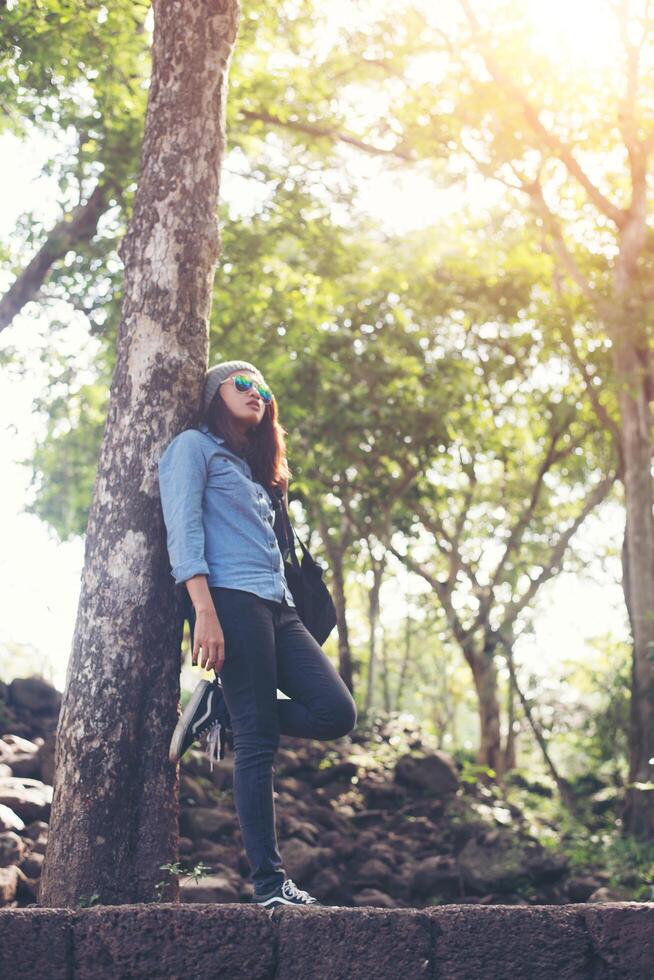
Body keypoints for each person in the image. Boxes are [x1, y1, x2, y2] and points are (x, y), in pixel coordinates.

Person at [157, 359, 357, 910]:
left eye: (264, 389)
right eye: (242, 383)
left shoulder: (253, 467)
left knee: (336, 713)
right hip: (232, 602)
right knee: (259, 742)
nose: (257, 393)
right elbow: (184, 531)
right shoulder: (192, 449)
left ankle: (220, 711)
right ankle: (270, 886)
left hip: (281, 607)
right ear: (214, 392)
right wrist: (204, 611)